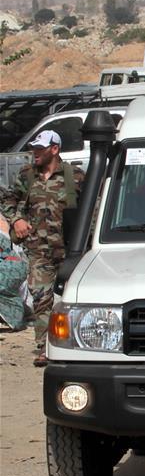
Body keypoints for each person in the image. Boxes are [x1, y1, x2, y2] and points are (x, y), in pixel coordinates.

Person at [0, 130, 84, 366]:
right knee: (41, 298)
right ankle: (44, 347)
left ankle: (76, 345)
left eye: (40, 149)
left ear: (54, 149)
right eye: (34, 148)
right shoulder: (27, 176)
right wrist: (17, 219)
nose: (34, 153)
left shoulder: (74, 176)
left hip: (71, 250)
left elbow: (94, 208)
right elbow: (7, 199)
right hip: (38, 250)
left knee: (72, 299)